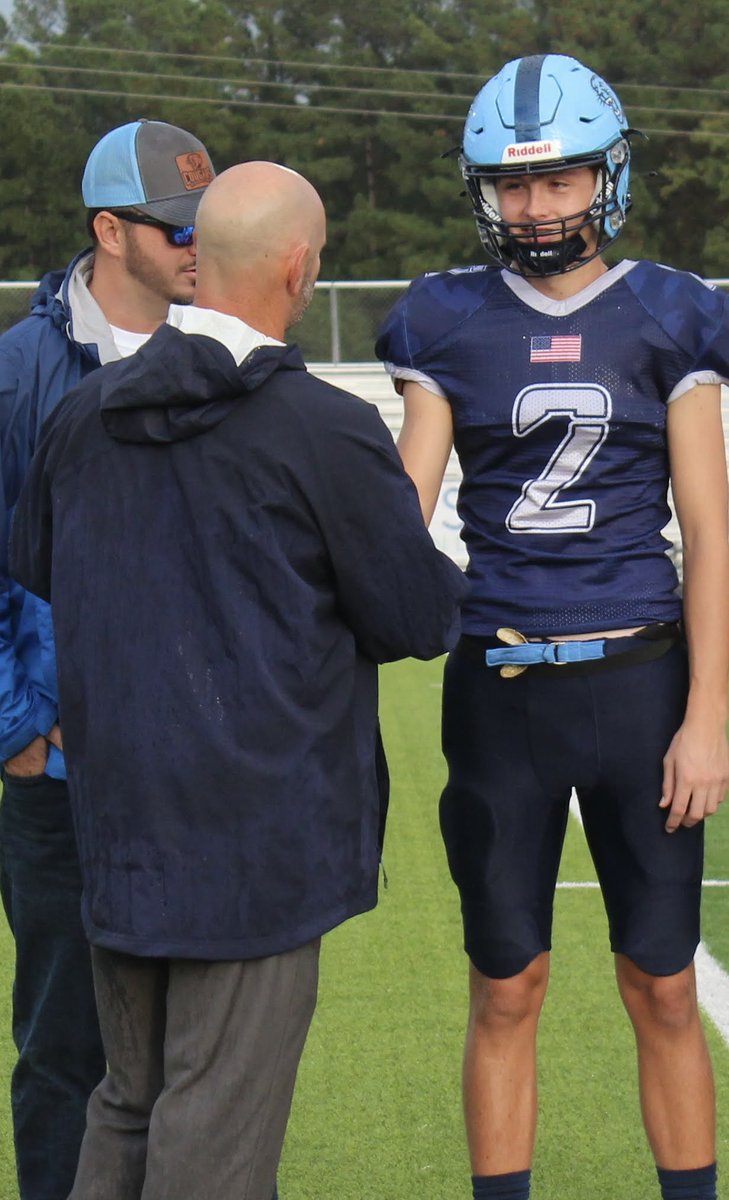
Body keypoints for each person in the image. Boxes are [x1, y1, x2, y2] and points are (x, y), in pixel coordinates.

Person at [9, 159, 467, 1200]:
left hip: (118, 830)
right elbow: (415, 617)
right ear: (301, 267)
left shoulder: (83, 416)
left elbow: (39, 563)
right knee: (213, 1134)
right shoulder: (324, 429)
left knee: (128, 1104)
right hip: (255, 846)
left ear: (196, 260)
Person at [376, 53, 729, 1200]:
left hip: (640, 684)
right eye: (515, 186)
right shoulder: (446, 319)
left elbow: (710, 534)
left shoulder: (673, 313)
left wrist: (711, 716)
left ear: (607, 178)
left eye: (560, 181)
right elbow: (401, 512)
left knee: (664, 984)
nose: (536, 208)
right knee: (505, 985)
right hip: (502, 688)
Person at [0, 117, 215, 1200]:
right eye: (176, 228)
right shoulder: (18, 373)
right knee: (65, 1049)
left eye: (205, 226)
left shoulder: (220, 353)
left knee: (200, 1060)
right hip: (66, 783)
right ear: (108, 231)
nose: (195, 246)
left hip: (199, 779)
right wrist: (20, 733)